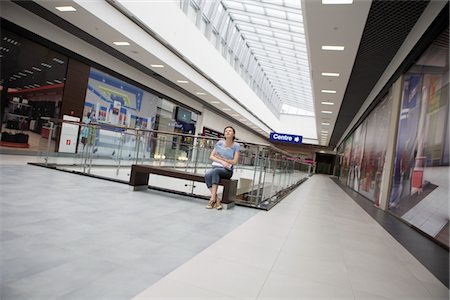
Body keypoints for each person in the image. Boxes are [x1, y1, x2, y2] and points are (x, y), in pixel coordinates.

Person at [204, 126, 240, 210]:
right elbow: (211, 156)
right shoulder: (219, 143)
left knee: (214, 172)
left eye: (230, 131)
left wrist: (221, 159)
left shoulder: (236, 146)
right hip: (217, 166)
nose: (227, 132)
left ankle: (212, 199)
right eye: (226, 131)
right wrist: (222, 162)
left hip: (227, 170)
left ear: (233, 134)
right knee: (207, 175)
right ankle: (217, 199)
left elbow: (234, 161)